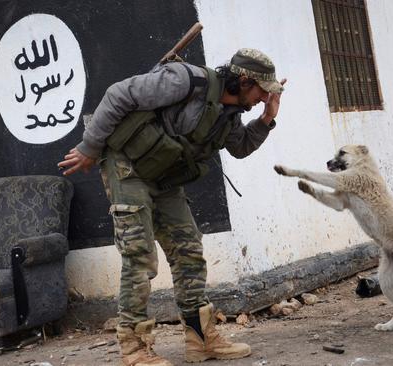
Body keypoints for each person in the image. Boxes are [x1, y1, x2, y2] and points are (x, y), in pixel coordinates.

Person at [58, 48, 286, 365]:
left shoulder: (230, 115)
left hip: (165, 176)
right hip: (128, 167)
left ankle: (201, 339)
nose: (264, 97)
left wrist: (267, 119)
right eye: (263, 91)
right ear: (244, 81)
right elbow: (117, 95)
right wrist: (89, 147)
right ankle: (135, 349)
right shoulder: (186, 80)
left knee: (189, 252)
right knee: (139, 255)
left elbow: (240, 147)